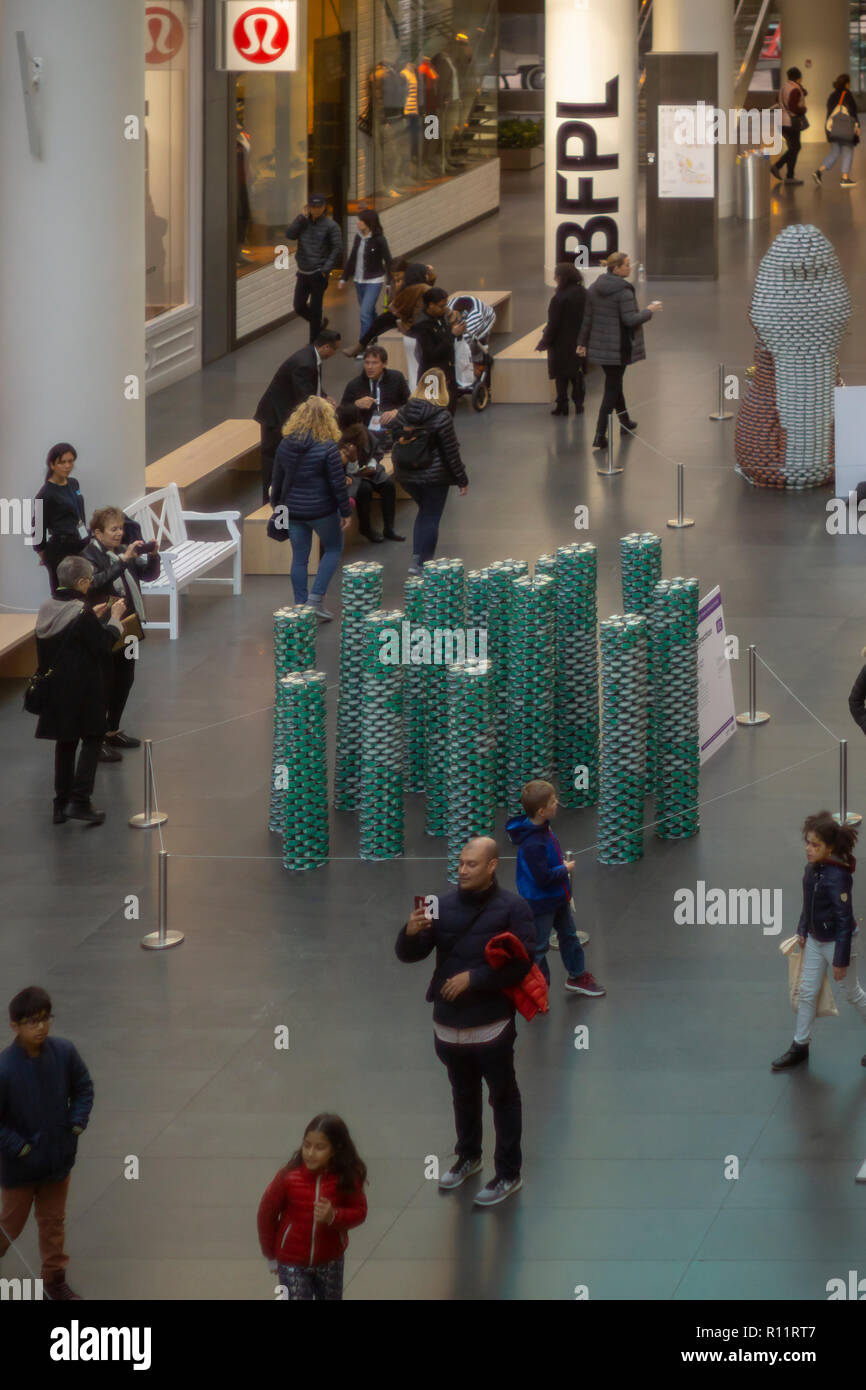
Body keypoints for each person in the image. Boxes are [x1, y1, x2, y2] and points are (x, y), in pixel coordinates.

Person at [395, 837, 536, 1207]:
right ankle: (468, 1157)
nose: (462, 869)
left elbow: (522, 963)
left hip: (491, 1026)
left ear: (492, 866)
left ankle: (508, 1173)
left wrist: (474, 979)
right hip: (448, 1027)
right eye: (461, 862)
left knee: (503, 1097)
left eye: (472, 864)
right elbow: (410, 956)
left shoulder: (514, 908)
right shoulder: (436, 905)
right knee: (462, 1093)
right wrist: (408, 934)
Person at [0, 985, 94, 1301]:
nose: (40, 1027)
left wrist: (77, 1123)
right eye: (31, 1022)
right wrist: (20, 1147)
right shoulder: (4, 1069)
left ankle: (54, 1278)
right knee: (10, 1225)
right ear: (15, 1026)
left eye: (44, 1019)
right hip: (20, 1169)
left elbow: (83, 1088)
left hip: (57, 1160)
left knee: (53, 1222)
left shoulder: (64, 1053)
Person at [33, 555, 125, 826]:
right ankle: (80, 801)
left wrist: (91, 619)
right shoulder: (80, 612)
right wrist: (115, 619)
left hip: (55, 689)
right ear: (83, 581)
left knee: (65, 742)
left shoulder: (47, 606)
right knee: (94, 737)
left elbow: (66, 637)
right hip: (83, 688)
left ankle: (60, 805)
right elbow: (102, 646)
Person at [772, 812, 866, 1071]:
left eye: (815, 845)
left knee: (853, 994)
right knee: (806, 992)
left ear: (830, 848)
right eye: (808, 842)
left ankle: (800, 1045)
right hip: (815, 939)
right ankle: (800, 1045)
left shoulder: (838, 878)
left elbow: (845, 921)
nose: (808, 849)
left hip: (838, 942)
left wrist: (840, 959)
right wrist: (803, 928)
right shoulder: (811, 870)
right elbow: (809, 903)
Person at [506, 780, 606, 997]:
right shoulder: (533, 842)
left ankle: (577, 975)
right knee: (540, 946)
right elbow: (542, 878)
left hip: (557, 897)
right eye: (553, 801)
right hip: (541, 903)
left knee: (569, 935)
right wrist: (565, 869)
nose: (557, 803)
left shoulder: (542, 828)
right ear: (542, 811)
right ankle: (538, 990)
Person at [257, 1113, 367, 1301]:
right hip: (291, 1261)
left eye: (319, 1147)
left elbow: (359, 1211)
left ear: (335, 1149)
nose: (310, 1153)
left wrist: (334, 1216)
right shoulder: (288, 1177)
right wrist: (270, 1254)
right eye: (307, 1145)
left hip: (330, 1260)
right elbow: (266, 1214)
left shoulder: (346, 1178)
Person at [269, 397, 352, 620]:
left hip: (293, 511)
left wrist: (277, 507)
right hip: (322, 511)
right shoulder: (328, 447)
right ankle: (315, 600)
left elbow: (276, 479)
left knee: (299, 558)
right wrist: (345, 512)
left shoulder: (285, 444)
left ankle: (300, 606)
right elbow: (337, 483)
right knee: (333, 549)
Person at [82, 507, 151, 761]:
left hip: (129, 626)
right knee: (104, 682)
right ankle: (96, 738)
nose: (120, 533)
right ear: (98, 532)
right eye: (114, 529)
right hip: (106, 627)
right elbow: (96, 583)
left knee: (126, 677)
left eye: (121, 528)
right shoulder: (88, 556)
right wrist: (123, 562)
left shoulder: (122, 551)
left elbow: (149, 574)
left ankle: (112, 730)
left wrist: (151, 556)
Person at [577, 252, 662, 450]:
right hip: (619, 348)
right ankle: (600, 434)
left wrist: (582, 342)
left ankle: (625, 422)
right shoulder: (624, 292)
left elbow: (587, 318)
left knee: (615, 383)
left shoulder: (594, 288)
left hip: (601, 347)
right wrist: (650, 310)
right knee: (611, 389)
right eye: (625, 265)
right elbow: (630, 320)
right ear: (615, 269)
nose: (629, 267)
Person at [390, 368, 468, 575]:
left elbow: (393, 436)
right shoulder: (442, 416)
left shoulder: (404, 411)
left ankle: (416, 558)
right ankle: (424, 562)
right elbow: (451, 452)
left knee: (424, 513)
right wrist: (462, 479)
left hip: (406, 475)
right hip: (435, 476)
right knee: (431, 516)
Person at [254, 328, 342, 502]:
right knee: (272, 456)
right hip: (276, 416)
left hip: (282, 413)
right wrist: (323, 407)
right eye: (334, 349)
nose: (335, 353)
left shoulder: (311, 357)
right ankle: (270, 498)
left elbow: (313, 385)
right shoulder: (304, 363)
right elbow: (305, 397)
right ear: (325, 347)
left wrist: (323, 396)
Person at [342, 258, 436, 359]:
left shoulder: (416, 283)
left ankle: (364, 346)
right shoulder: (396, 282)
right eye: (393, 275)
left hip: (407, 315)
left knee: (382, 324)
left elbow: (427, 285)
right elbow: (393, 301)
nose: (395, 277)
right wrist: (396, 288)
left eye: (398, 275)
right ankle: (362, 345)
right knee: (380, 321)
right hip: (400, 312)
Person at [33, 444, 88, 594]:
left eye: (71, 461)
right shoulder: (44, 494)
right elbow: (37, 530)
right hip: (60, 550)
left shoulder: (73, 483)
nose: (67, 466)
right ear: (52, 464)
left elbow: (79, 513)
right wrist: (43, 555)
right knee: (64, 597)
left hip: (80, 545)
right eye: (62, 462)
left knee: (83, 594)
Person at [285, 195, 342, 342]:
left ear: (324, 207)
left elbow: (337, 248)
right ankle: (319, 324)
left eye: (318, 207)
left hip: (318, 273)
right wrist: (300, 218)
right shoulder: (302, 222)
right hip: (303, 271)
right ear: (308, 207)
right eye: (313, 207)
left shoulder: (331, 226)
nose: (315, 210)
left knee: (316, 308)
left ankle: (314, 342)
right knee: (299, 305)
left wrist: (325, 269)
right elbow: (290, 235)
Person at [536, 263, 587, 416]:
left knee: (560, 375)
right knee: (576, 373)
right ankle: (579, 404)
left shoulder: (559, 298)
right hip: (579, 340)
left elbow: (553, 324)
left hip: (560, 343)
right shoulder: (584, 293)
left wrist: (543, 342)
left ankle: (562, 405)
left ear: (561, 278)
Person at [339, 423, 403, 544]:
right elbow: (346, 470)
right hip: (352, 477)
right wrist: (353, 460)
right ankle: (365, 528)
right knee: (365, 489)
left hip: (369, 470)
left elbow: (377, 452)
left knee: (388, 485)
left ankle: (389, 528)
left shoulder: (367, 436)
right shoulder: (343, 446)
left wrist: (372, 465)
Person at [338, 209, 392, 341]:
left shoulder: (379, 239)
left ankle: (363, 345)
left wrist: (390, 282)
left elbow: (388, 261)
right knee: (370, 312)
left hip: (374, 281)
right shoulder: (358, 237)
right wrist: (344, 278)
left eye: (360, 220)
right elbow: (352, 258)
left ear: (369, 222)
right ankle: (377, 333)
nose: (358, 223)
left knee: (364, 314)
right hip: (358, 281)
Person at [408, 287, 460, 412]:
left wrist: (455, 330)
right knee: (434, 414)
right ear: (430, 305)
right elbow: (431, 354)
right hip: (432, 378)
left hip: (448, 374)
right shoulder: (421, 325)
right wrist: (452, 334)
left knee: (449, 412)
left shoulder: (441, 317)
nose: (445, 309)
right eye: (441, 306)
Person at [340, 345, 409, 434]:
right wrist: (356, 405)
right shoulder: (354, 384)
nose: (370, 367)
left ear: (384, 364)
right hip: (365, 432)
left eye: (375, 363)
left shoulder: (397, 378)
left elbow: (409, 403)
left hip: (393, 429)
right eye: (367, 363)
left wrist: (397, 411)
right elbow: (341, 413)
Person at [813, 75, 860, 187]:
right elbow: (853, 112)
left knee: (834, 153)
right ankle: (845, 178)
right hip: (846, 128)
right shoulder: (847, 95)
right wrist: (858, 127)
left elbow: (829, 112)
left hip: (833, 129)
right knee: (848, 151)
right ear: (847, 84)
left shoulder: (832, 95)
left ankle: (819, 171)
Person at [771, 66, 808, 185]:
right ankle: (777, 166)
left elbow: (778, 99)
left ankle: (790, 176)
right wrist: (802, 110)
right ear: (799, 78)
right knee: (795, 148)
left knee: (793, 148)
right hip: (790, 123)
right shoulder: (795, 89)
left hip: (781, 121)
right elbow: (793, 106)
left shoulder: (785, 87)